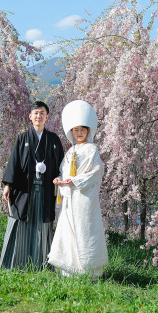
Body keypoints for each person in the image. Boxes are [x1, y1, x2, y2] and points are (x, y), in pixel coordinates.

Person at [0, 100, 65, 270]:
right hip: (24, 189)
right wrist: (7, 185)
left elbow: (62, 165)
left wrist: (61, 177)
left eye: (42, 113)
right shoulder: (22, 138)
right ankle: (17, 262)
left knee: (42, 224)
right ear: (30, 116)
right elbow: (14, 163)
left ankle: (41, 263)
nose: (38, 116)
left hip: (45, 190)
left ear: (47, 117)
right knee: (21, 220)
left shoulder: (53, 140)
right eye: (36, 113)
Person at [47, 100, 109, 278]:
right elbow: (63, 171)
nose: (79, 133)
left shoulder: (92, 150)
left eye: (82, 129)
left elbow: (97, 171)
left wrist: (75, 181)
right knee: (68, 231)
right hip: (69, 198)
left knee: (85, 229)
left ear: (88, 130)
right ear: (71, 132)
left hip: (84, 198)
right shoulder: (70, 152)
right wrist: (60, 179)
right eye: (76, 130)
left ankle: (89, 270)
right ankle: (70, 269)